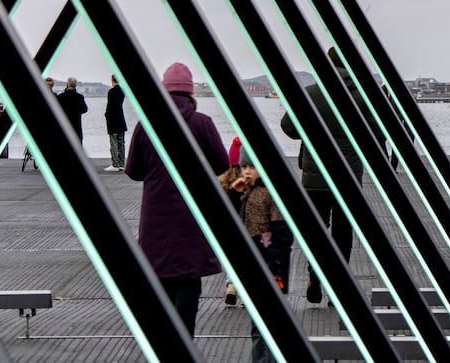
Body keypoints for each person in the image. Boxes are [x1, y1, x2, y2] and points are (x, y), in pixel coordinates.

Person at [126, 62, 229, 338]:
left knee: (159, 277)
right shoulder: (202, 124)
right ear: (190, 93)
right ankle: (185, 339)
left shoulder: (146, 124)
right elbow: (222, 165)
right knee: (188, 277)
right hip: (191, 215)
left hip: (155, 216)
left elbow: (133, 171)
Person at [279, 49, 389, 305]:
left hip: (314, 176)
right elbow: (376, 133)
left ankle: (315, 276)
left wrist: (311, 133)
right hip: (348, 176)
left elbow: (288, 127)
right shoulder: (361, 98)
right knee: (342, 232)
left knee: (317, 230)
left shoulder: (310, 94)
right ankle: (338, 285)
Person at [219, 153, 291, 363]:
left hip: (271, 268)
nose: (247, 171)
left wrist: (270, 263)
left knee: (264, 326)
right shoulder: (246, 193)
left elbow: (283, 235)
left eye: (252, 166)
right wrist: (233, 194)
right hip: (255, 267)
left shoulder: (269, 195)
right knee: (260, 325)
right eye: (244, 167)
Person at [104, 75, 127, 172]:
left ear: (112, 80)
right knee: (121, 142)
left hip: (113, 120)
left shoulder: (111, 91)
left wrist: (106, 115)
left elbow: (110, 106)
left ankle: (115, 164)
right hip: (121, 119)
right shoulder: (122, 91)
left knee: (113, 142)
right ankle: (122, 164)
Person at [55, 77, 88, 144]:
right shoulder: (79, 97)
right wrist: (77, 112)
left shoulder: (60, 97)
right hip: (76, 125)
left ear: (67, 84)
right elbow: (85, 109)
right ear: (75, 85)